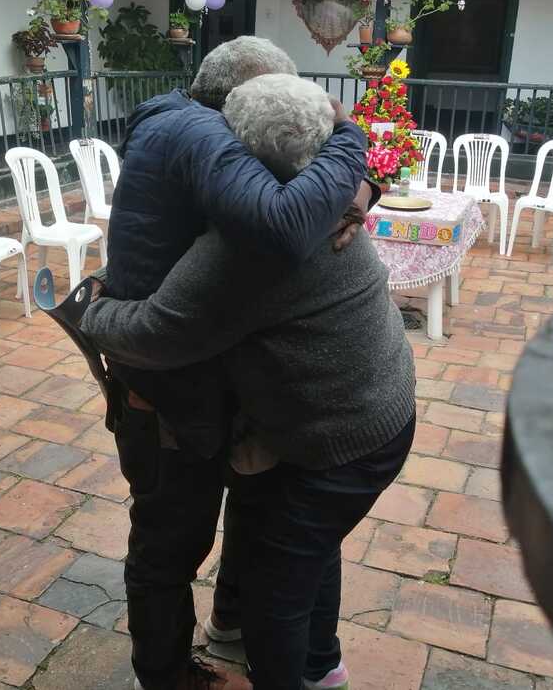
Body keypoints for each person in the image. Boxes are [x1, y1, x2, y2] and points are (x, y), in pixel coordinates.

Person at [82, 73, 417, 690]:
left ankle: (289, 662)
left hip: (339, 439)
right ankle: (320, 667)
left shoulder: (250, 246)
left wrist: (90, 307)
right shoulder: (331, 198)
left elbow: (160, 329)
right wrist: (359, 168)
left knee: (277, 593)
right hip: (379, 411)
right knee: (312, 547)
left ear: (234, 147)